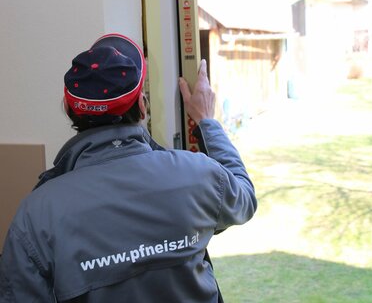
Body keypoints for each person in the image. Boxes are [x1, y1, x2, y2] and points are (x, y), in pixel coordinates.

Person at [0, 33, 257, 302]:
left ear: (68, 109)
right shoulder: (198, 175)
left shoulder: (37, 215)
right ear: (142, 107)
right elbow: (244, 198)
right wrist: (207, 122)